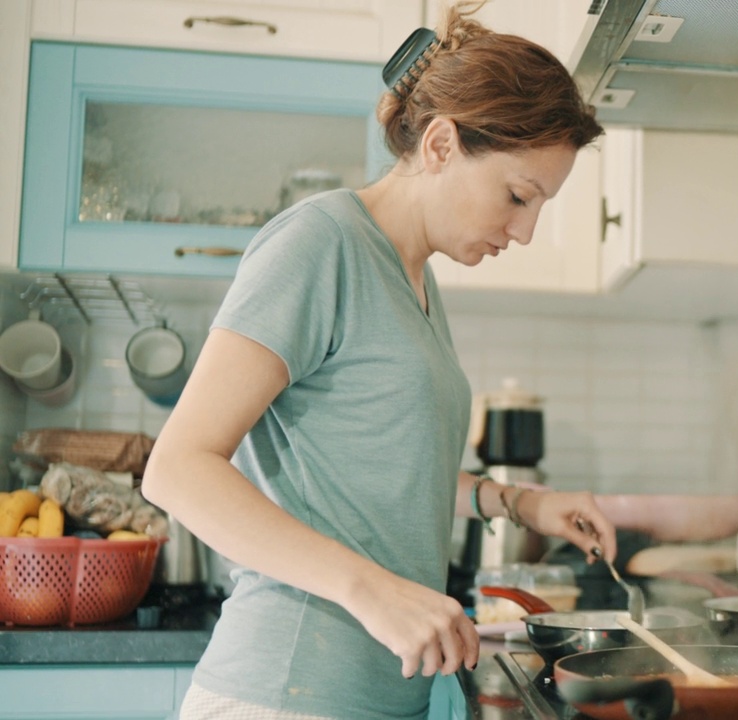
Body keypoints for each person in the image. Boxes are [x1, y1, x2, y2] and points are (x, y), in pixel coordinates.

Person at [140, 4, 615, 718]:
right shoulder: (320, 244)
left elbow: (382, 464)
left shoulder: (414, 275)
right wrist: (372, 590)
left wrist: (519, 503)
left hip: (377, 695)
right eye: (518, 196)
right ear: (441, 144)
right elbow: (177, 469)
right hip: (285, 691)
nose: (524, 230)